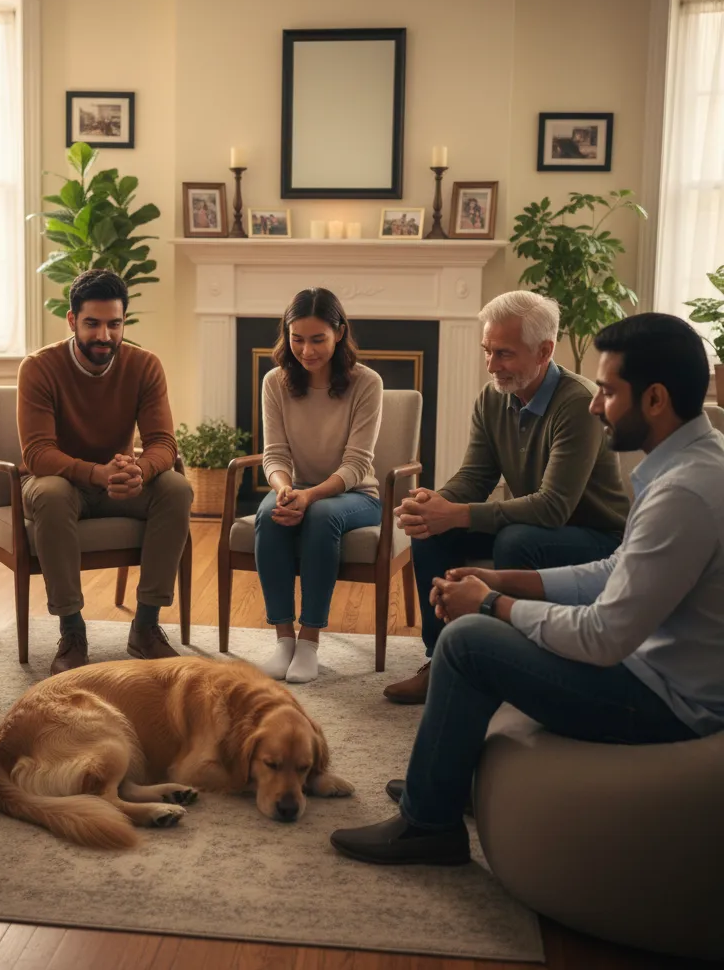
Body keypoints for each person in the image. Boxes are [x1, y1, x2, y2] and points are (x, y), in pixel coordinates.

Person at [330, 313, 724, 866]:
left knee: (469, 642)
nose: (594, 404)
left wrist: (492, 605)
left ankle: (428, 824)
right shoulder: (692, 465)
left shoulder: (683, 492)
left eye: (608, 392)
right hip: (652, 670)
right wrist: (499, 578)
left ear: (655, 399)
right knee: (478, 604)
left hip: (665, 704)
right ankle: (452, 783)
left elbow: (604, 635)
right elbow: (613, 571)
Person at [385, 290, 629, 704]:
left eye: (504, 354)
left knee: (516, 539)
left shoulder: (577, 404)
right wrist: (436, 504)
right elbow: (475, 477)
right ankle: (442, 659)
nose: (491, 365)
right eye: (487, 351)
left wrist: (457, 514)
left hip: (596, 535)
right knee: (430, 530)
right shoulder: (493, 397)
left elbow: (553, 507)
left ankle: (513, 665)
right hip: (535, 524)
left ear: (544, 350)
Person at [17, 268, 193, 675]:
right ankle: (72, 630)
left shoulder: (144, 365)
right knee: (53, 493)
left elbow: (164, 443)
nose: (104, 336)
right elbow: (38, 453)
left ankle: (146, 625)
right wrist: (97, 473)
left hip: (118, 482)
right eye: (92, 324)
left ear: (124, 322)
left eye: (114, 324)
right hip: (61, 483)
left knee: (177, 488)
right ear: (72, 320)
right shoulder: (39, 368)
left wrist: (141, 470)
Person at [256, 288, 383, 684]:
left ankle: (309, 639)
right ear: (286, 334)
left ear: (339, 333)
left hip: (357, 495)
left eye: (317, 339)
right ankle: (283, 640)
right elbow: (274, 454)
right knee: (268, 513)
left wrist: (309, 496)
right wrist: (283, 489)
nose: (306, 350)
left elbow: (357, 464)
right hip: (300, 489)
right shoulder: (275, 382)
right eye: (297, 339)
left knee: (321, 514)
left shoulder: (367, 382)